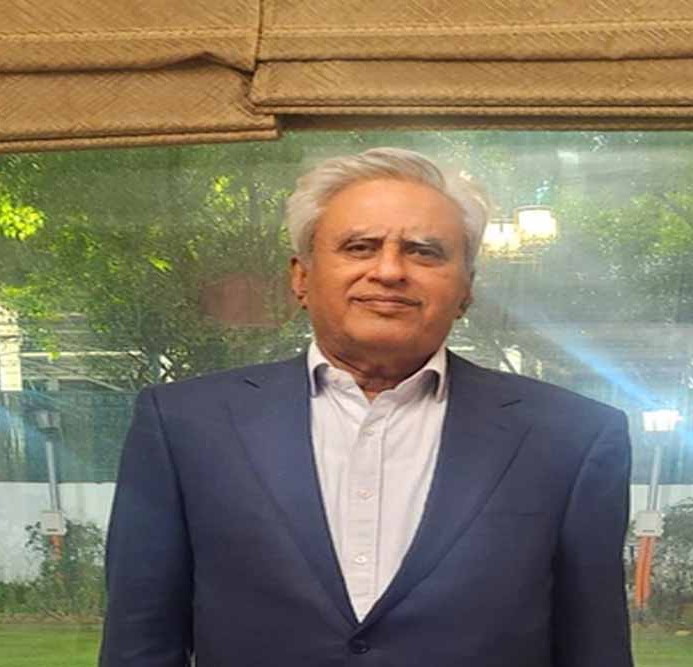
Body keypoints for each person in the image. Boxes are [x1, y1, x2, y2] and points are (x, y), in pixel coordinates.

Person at [98, 148, 634, 667]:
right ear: (301, 277)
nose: (390, 270)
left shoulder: (572, 438)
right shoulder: (185, 425)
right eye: (359, 247)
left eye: (425, 251)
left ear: (467, 289)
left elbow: (596, 650)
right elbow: (138, 646)